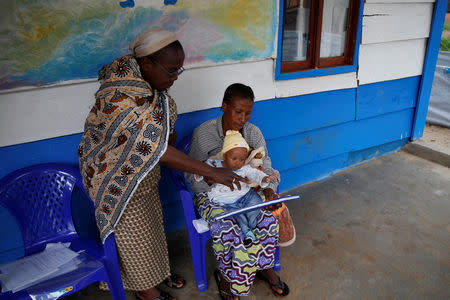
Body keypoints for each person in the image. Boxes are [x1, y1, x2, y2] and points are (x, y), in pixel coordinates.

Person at [77, 28, 246, 300]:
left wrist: (166, 130)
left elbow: (157, 136)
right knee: (132, 237)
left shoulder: (149, 89)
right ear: (146, 64)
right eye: (171, 71)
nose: (176, 77)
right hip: (116, 180)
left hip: (142, 175)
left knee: (151, 229)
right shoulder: (120, 96)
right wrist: (211, 171)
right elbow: (156, 147)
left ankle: (155, 273)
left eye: (180, 70)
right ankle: (145, 290)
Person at [186, 83, 289, 299]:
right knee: (228, 230)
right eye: (238, 111)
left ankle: (264, 267)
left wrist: (269, 190)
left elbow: (266, 166)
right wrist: (213, 183)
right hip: (212, 195)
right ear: (224, 106)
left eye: (248, 113)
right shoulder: (204, 134)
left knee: (267, 222)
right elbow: (190, 173)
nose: (243, 119)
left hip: (244, 192)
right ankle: (226, 277)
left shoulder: (253, 133)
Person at [195, 130, 280, 246]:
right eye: (234, 159)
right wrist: (201, 173)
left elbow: (254, 173)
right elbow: (200, 171)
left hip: (245, 195)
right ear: (225, 155)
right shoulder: (214, 164)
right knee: (238, 216)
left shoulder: (243, 167)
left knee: (256, 202)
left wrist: (265, 179)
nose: (238, 163)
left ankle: (252, 222)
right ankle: (247, 231)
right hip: (225, 200)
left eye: (241, 159)